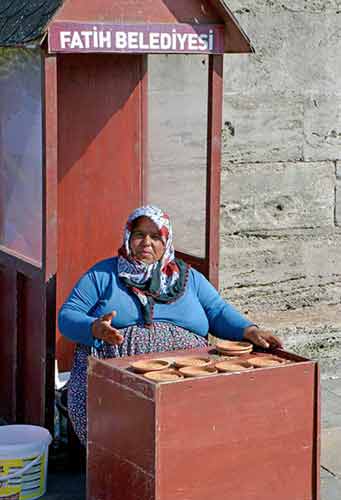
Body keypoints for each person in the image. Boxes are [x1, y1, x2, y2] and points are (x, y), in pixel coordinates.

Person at [58, 205, 282, 446]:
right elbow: (68, 315)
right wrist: (94, 328)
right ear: (128, 237)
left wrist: (249, 330)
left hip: (187, 376)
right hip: (117, 382)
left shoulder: (188, 278)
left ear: (166, 242)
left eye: (155, 237)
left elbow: (218, 311)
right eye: (139, 235)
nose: (146, 242)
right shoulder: (103, 275)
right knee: (120, 436)